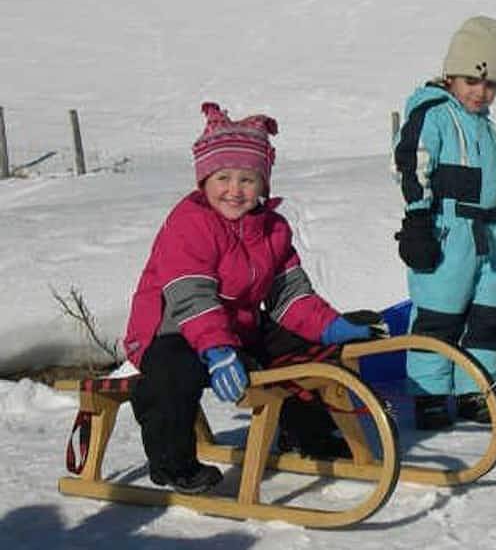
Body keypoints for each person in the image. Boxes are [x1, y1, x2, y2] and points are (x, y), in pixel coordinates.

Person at [123, 102, 377, 494]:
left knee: (304, 347)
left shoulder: (272, 229)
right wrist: (217, 349)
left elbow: (289, 296)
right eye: (222, 177)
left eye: (247, 179)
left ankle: (308, 434)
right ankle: (173, 463)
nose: (234, 190)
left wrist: (329, 327)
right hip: (170, 328)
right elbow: (191, 297)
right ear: (204, 181)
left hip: (236, 327)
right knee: (175, 373)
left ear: (263, 184)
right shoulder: (189, 224)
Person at [392, 16, 496, 430]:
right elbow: (413, 164)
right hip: (448, 231)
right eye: (471, 81)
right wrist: (418, 220)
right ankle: (429, 395)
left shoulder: (490, 130)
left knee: (485, 317)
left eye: (491, 85)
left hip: (490, 236)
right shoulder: (433, 114)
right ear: (451, 74)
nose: (480, 92)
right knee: (439, 315)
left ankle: (474, 391)